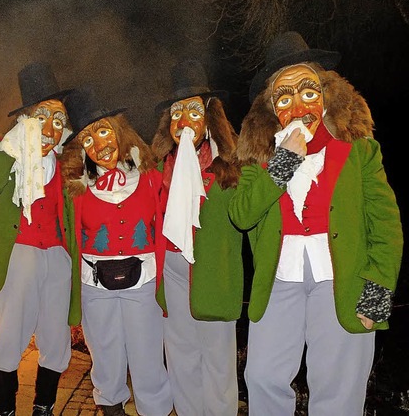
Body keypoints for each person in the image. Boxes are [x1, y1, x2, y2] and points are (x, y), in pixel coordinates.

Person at [228, 31, 403, 415]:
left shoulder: (358, 150)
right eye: (284, 95)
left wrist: (377, 294)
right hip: (280, 277)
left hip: (341, 277)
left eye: (307, 90)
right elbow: (241, 215)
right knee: (261, 375)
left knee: (337, 387)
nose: (297, 103)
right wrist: (283, 162)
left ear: (325, 95)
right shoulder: (260, 156)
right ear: (272, 108)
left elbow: (386, 226)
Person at [60, 86, 173, 416]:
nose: (99, 145)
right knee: (105, 353)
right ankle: (110, 407)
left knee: (147, 353)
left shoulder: (150, 175)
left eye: (103, 131)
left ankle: (154, 409)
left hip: (143, 281)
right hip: (95, 285)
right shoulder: (75, 184)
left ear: (119, 131)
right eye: (88, 140)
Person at [0, 61, 73, 416]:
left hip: (57, 259)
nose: (51, 128)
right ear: (27, 120)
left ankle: (44, 407)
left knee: (56, 337)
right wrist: (12, 144)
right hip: (20, 255)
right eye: (43, 117)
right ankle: (5, 410)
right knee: (10, 336)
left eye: (59, 120)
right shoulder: (8, 154)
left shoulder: (67, 165)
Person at [150, 59, 244, 416]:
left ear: (209, 116)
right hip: (172, 270)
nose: (183, 121)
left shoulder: (230, 165)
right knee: (181, 357)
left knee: (217, 362)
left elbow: (248, 213)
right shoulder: (160, 166)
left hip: (213, 274)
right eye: (176, 114)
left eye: (192, 110)